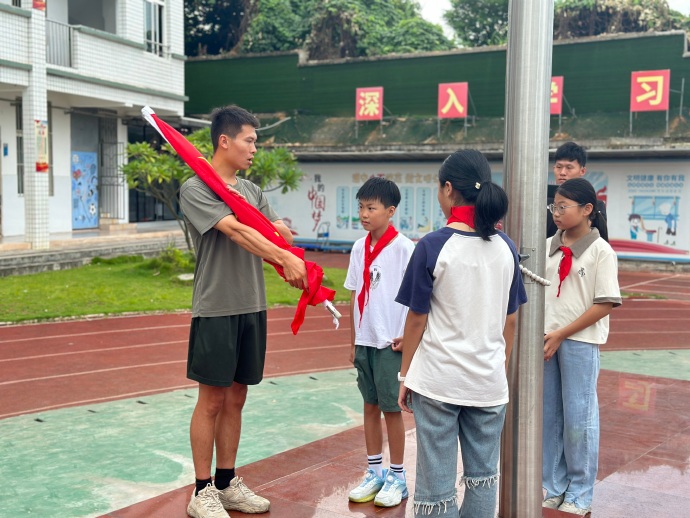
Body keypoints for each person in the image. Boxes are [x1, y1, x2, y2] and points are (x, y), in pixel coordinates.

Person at [179, 105, 308, 518]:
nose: (255, 148)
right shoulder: (196, 187)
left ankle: (226, 482)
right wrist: (282, 256)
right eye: (249, 140)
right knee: (211, 400)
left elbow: (270, 230)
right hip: (216, 307)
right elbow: (237, 231)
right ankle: (201, 493)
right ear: (224, 141)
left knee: (237, 397)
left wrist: (288, 245)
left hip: (252, 305)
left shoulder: (251, 191)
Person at [396, 150, 527, 517]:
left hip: (439, 381)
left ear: (449, 189)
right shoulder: (506, 247)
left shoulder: (433, 245)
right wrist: (498, 370)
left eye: (440, 190)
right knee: (483, 478)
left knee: (436, 486)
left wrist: (405, 375)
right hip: (487, 383)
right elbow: (511, 320)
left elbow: (416, 319)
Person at [542, 178, 622, 516]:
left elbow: (604, 303)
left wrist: (562, 333)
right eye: (554, 207)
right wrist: (550, 334)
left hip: (579, 343)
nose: (556, 213)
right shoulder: (547, 246)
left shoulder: (601, 251)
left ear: (587, 209)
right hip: (546, 342)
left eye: (563, 207)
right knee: (550, 418)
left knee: (579, 419)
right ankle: (554, 485)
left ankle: (580, 490)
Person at [344, 176, 416, 508]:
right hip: (366, 340)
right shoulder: (359, 247)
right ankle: (374, 471)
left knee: (391, 409)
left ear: (390, 211)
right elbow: (354, 293)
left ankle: (398, 477)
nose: (364, 214)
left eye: (371, 208)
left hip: (390, 342)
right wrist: (354, 338)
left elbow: (417, 298)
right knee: (370, 406)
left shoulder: (404, 249)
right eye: (360, 207)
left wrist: (410, 339)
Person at [547, 142, 607, 238]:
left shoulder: (595, 205)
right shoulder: (541, 201)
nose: (562, 172)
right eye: (559, 167)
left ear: (582, 171)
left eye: (569, 167)